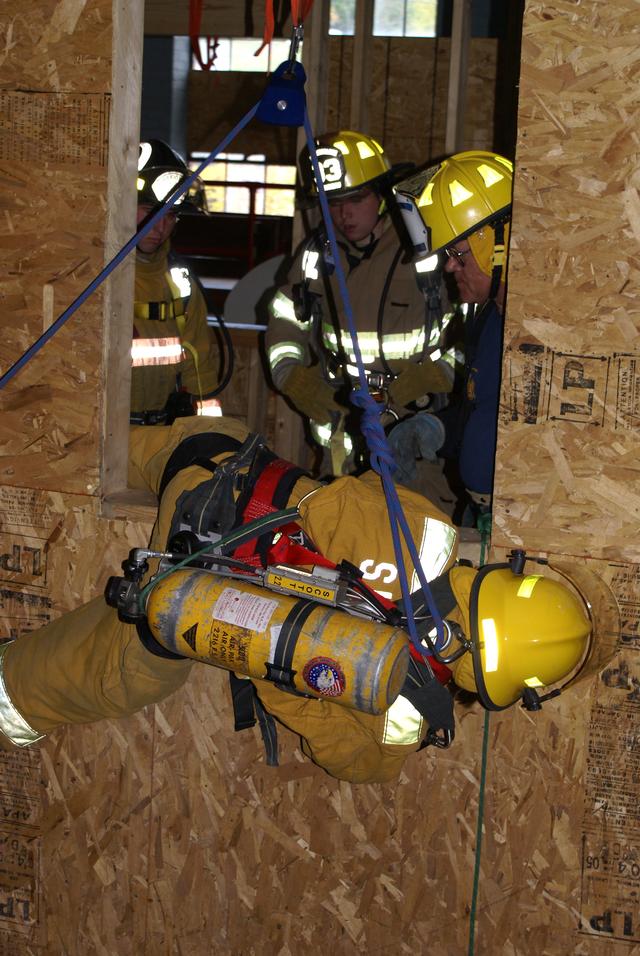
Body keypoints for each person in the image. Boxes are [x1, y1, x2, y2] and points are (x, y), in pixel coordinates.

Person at [0, 418, 592, 784]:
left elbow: (333, 502)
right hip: (199, 553)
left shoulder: (431, 532)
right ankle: (9, 694)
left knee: (71, 441)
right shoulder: (404, 713)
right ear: (498, 682)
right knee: (126, 675)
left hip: (216, 449)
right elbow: (351, 760)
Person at [265, 129, 457, 477]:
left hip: (416, 441)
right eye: (333, 203)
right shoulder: (316, 255)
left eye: (356, 199)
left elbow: (469, 335)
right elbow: (284, 317)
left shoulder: (424, 251)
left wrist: (434, 376)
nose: (344, 215)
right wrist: (291, 376)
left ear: (381, 194)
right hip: (340, 447)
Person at [393, 150, 513, 523]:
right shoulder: (487, 318)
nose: (449, 266)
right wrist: (438, 428)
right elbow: (485, 411)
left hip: (520, 526)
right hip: (481, 513)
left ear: (500, 243)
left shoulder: (540, 331)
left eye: (459, 254)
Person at [131, 139, 221, 424]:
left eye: (170, 216)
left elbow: (200, 366)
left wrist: (209, 434)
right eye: (150, 212)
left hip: (163, 434)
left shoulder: (180, 281)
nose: (160, 228)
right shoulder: (95, 278)